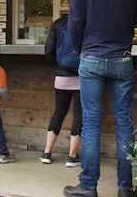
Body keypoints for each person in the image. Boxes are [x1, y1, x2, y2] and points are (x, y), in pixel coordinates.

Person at [63, 0, 137, 197]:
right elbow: (135, 18)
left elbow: (74, 21)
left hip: (91, 58)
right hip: (121, 58)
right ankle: (125, 187)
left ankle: (88, 185)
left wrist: (79, 49)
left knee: (91, 123)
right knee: (124, 122)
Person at [41, 14, 82, 167]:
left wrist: (59, 66)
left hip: (62, 76)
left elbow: (48, 50)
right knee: (79, 116)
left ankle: (47, 152)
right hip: (82, 76)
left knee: (59, 113)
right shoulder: (85, 21)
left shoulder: (59, 23)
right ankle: (72, 157)